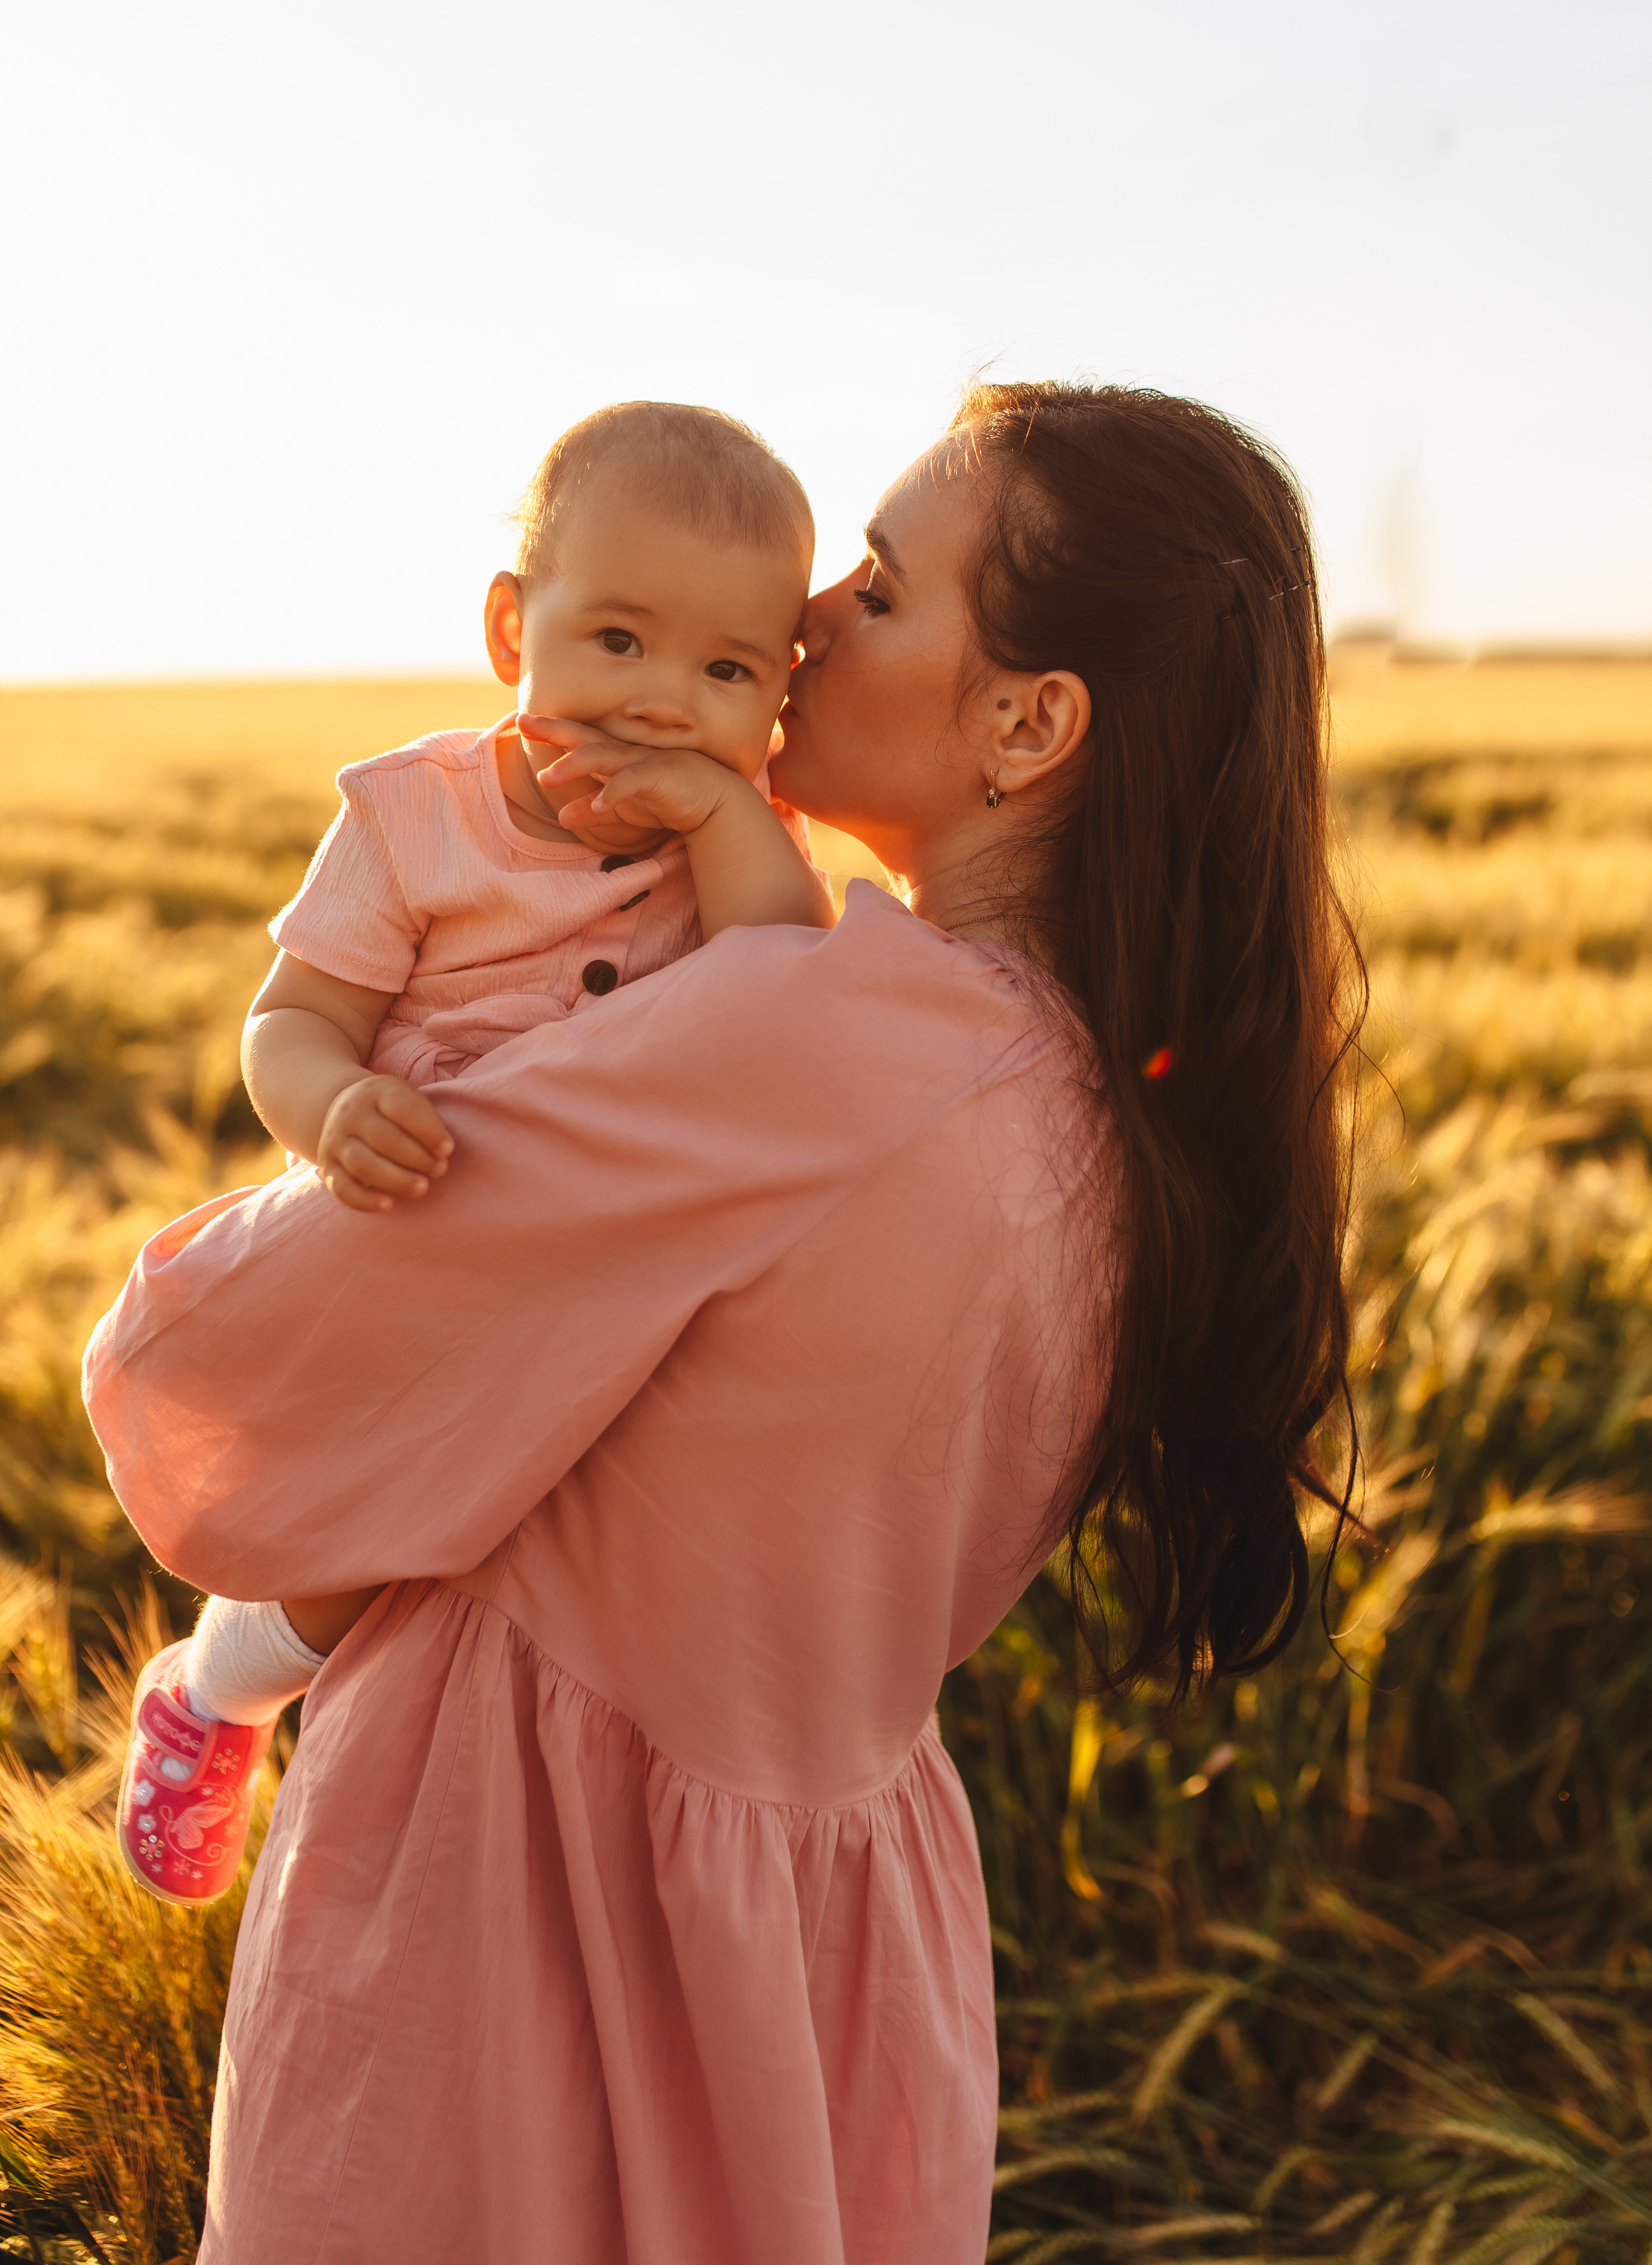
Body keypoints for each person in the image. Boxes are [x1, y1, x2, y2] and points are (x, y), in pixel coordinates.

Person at [85, 381, 1364, 2264]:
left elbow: (206, 1365)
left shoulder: (816, 1040)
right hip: (832, 1950)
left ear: (1029, 723)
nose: (811, 617)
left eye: (884, 587)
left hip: (521, 1920)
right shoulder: (1125, 1124)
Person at [114, 401, 835, 1908]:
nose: (663, 702)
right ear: (514, 628)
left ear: (779, 694)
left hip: (595, 1268)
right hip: (410, 1222)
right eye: (618, 640)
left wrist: (718, 812)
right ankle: (219, 1690)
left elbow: (782, 978)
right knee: (379, 1526)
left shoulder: (738, 844)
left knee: (526, 1530)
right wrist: (331, 1109)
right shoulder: (415, 815)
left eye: (726, 671)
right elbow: (293, 1020)